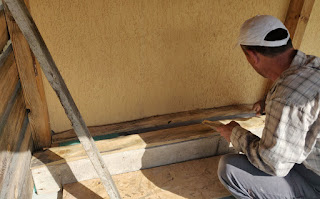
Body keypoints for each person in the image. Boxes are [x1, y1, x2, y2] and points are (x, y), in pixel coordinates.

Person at [216, 15, 320, 199]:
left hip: (316, 181)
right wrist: (269, 101)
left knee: (230, 169)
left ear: (253, 56)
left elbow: (273, 164)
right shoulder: (312, 65)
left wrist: (235, 134)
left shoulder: (287, 98)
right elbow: (300, 96)